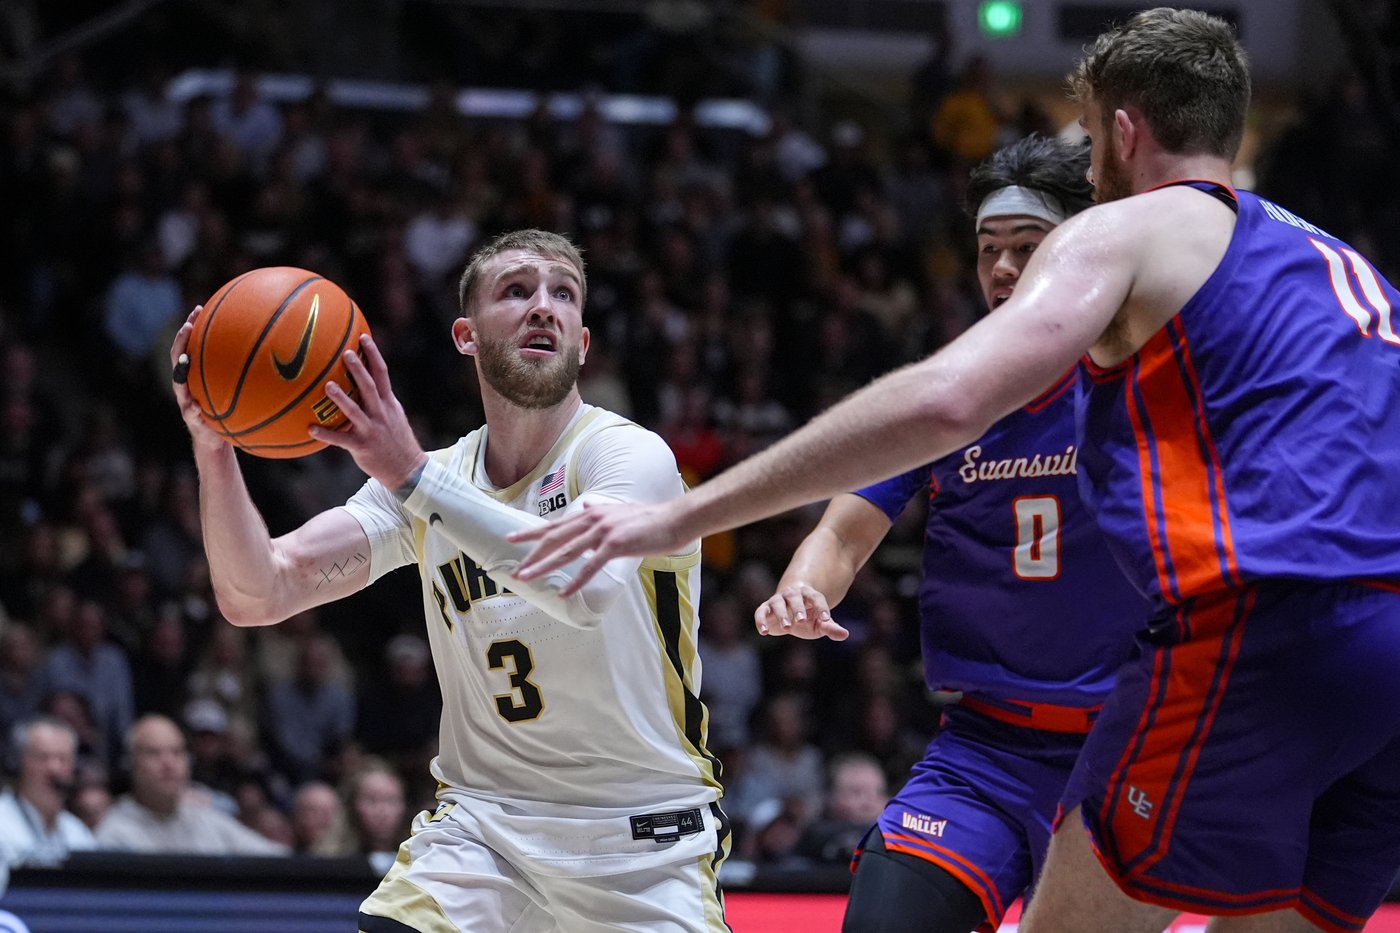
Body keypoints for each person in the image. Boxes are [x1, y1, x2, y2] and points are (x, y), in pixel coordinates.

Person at [515, 9, 1400, 931]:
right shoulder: (1344, 271)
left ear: (1123, 131)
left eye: (1089, 138)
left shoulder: (1127, 232)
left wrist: (681, 518)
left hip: (1262, 635)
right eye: (991, 249)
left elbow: (944, 400)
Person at [169, 228, 728, 931]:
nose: (544, 306)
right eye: (516, 290)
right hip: (484, 832)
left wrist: (409, 474)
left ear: (582, 343)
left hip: (640, 841)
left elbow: (580, 587)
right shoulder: (430, 479)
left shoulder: (626, 456)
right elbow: (258, 593)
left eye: (564, 294)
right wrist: (214, 447)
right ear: (466, 336)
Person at [753, 135, 1146, 933]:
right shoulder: (947, 392)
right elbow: (843, 535)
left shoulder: (1145, 379)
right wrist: (802, 586)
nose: (1003, 267)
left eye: (1027, 246)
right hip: (986, 748)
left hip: (1127, 748)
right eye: (988, 248)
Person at [93, 714, 288, 855]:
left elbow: (275, 859)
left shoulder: (207, 819)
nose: (168, 763)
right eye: (153, 753)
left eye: (177, 752)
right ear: (132, 765)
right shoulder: (114, 833)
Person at [0, 716, 97, 866]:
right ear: (19, 763)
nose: (54, 769)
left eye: (63, 758)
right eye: (43, 757)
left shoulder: (77, 832)